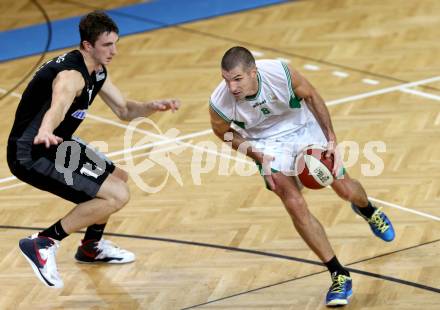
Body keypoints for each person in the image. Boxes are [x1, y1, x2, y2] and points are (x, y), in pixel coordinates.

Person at [209, 46, 395, 307]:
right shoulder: (220, 102)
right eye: (226, 80)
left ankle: (367, 209)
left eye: (237, 79)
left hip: (303, 127)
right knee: (294, 203)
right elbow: (223, 133)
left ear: (254, 72)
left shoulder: (280, 73)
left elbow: (311, 96)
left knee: (344, 189)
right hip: (265, 144)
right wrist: (256, 156)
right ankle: (338, 273)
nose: (231, 87)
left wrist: (330, 137)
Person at [7, 11, 180, 288]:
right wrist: (45, 130)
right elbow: (59, 105)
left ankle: (90, 247)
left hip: (59, 144)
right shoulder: (71, 76)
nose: (114, 51)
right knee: (116, 196)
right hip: (32, 152)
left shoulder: (97, 71)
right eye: (107, 45)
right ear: (87, 45)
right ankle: (43, 242)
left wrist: (152, 106)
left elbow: (124, 110)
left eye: (115, 43)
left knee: (118, 179)